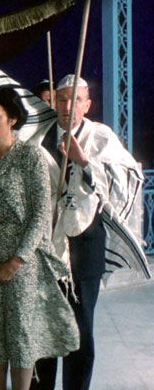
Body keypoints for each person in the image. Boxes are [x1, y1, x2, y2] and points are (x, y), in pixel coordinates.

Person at [0, 87, 79, 390]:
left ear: (12, 119)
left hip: (22, 266)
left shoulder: (30, 157)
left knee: (22, 336)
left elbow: (41, 215)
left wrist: (16, 262)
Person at [29, 75, 144, 390]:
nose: (68, 106)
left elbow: (124, 181)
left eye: (75, 100)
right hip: (45, 246)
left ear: (87, 104)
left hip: (85, 247)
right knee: (44, 324)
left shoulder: (101, 137)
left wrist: (83, 161)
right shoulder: (40, 135)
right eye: (62, 99)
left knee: (80, 328)